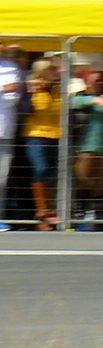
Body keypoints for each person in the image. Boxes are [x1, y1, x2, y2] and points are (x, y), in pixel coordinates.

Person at [71, 69, 103, 222]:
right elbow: (75, 102)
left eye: (102, 81)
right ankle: (80, 213)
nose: (100, 84)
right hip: (84, 147)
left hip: (102, 148)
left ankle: (97, 213)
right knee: (83, 180)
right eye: (96, 81)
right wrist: (95, 100)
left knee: (99, 182)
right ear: (87, 83)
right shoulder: (80, 98)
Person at [24, 58, 63, 229]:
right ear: (42, 71)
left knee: (52, 173)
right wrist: (29, 92)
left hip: (56, 135)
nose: (56, 71)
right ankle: (42, 211)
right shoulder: (33, 88)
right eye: (52, 68)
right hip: (36, 134)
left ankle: (50, 212)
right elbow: (25, 109)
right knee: (40, 168)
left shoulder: (60, 88)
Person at [0, 46, 23, 231]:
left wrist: (5, 92)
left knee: (1, 179)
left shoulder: (11, 67)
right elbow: (6, 93)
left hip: (5, 130)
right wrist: (2, 88)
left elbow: (12, 98)